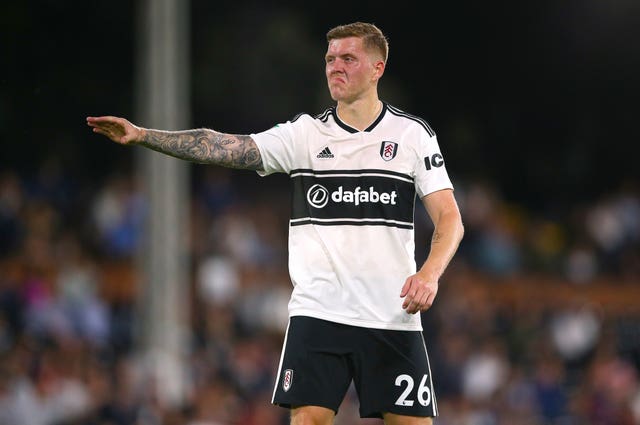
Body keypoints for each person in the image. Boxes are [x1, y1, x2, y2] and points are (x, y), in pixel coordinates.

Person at [87, 21, 464, 425]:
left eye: (348, 58)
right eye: (330, 59)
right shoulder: (304, 134)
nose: (335, 66)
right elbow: (223, 146)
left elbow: (450, 218)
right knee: (307, 420)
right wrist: (144, 135)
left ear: (378, 68)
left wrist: (429, 274)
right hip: (320, 313)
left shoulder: (411, 136)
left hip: (392, 315)